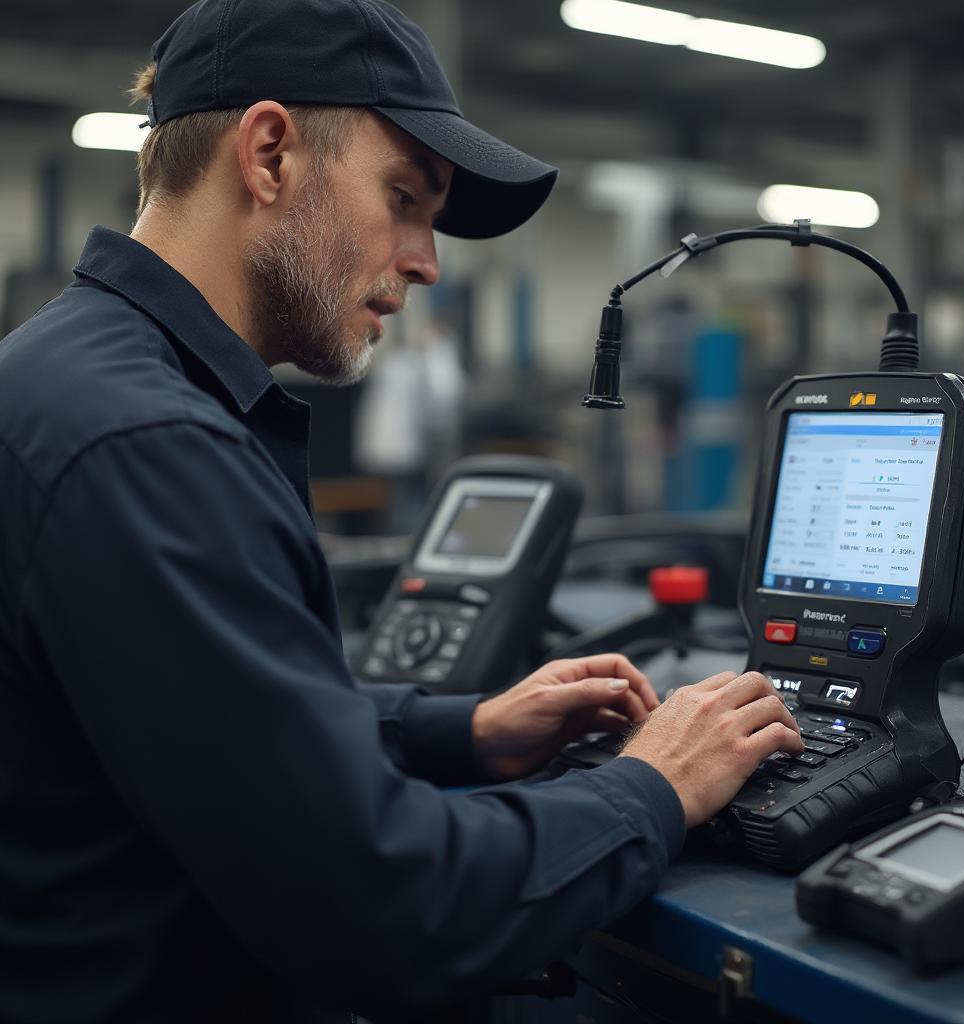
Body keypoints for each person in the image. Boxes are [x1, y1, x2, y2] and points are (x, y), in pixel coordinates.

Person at [0, 1, 803, 1020]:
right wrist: (654, 783)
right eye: (405, 197)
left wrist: (459, 729)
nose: (426, 259)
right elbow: (387, 907)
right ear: (270, 153)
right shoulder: (151, 446)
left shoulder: (74, 378)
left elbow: (197, 718)